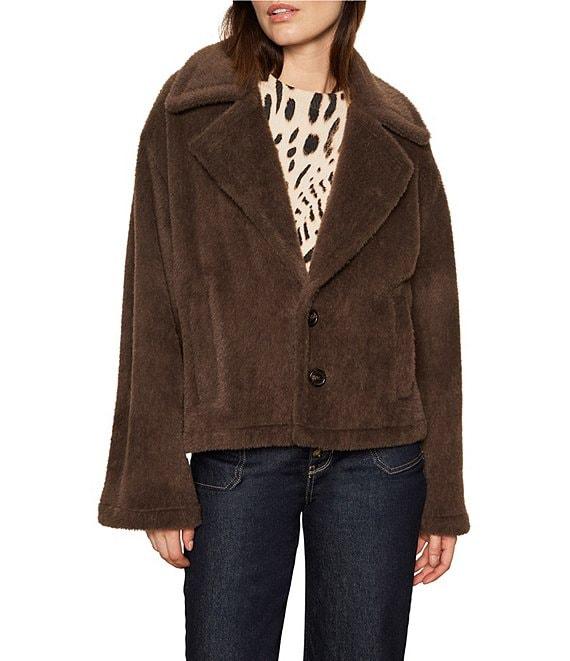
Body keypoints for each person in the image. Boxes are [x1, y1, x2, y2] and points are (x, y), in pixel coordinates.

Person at [98, 1, 470, 658]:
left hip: (379, 455)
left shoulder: (398, 130)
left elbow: (433, 320)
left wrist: (443, 492)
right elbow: (152, 296)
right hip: (237, 447)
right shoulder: (191, 108)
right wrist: (155, 481)